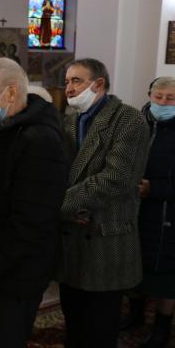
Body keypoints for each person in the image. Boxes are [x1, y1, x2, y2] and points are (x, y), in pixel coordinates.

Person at [0, 58, 68, 347]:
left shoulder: (40, 140)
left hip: (14, 273)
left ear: (10, 92)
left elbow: (33, 220)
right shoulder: (4, 127)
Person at [57, 58, 150, 348]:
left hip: (105, 236)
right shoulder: (71, 120)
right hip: (72, 236)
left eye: (77, 81)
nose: (69, 88)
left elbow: (116, 179)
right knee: (74, 323)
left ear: (99, 84)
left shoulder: (128, 120)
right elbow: (61, 171)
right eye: (67, 81)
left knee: (99, 327)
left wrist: (60, 205)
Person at [125, 77, 175, 348]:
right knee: (133, 264)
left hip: (168, 214)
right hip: (134, 209)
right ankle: (134, 316)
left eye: (171, 98)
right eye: (159, 97)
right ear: (150, 96)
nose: (163, 103)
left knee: (166, 276)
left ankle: (161, 329)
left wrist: (154, 188)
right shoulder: (136, 123)